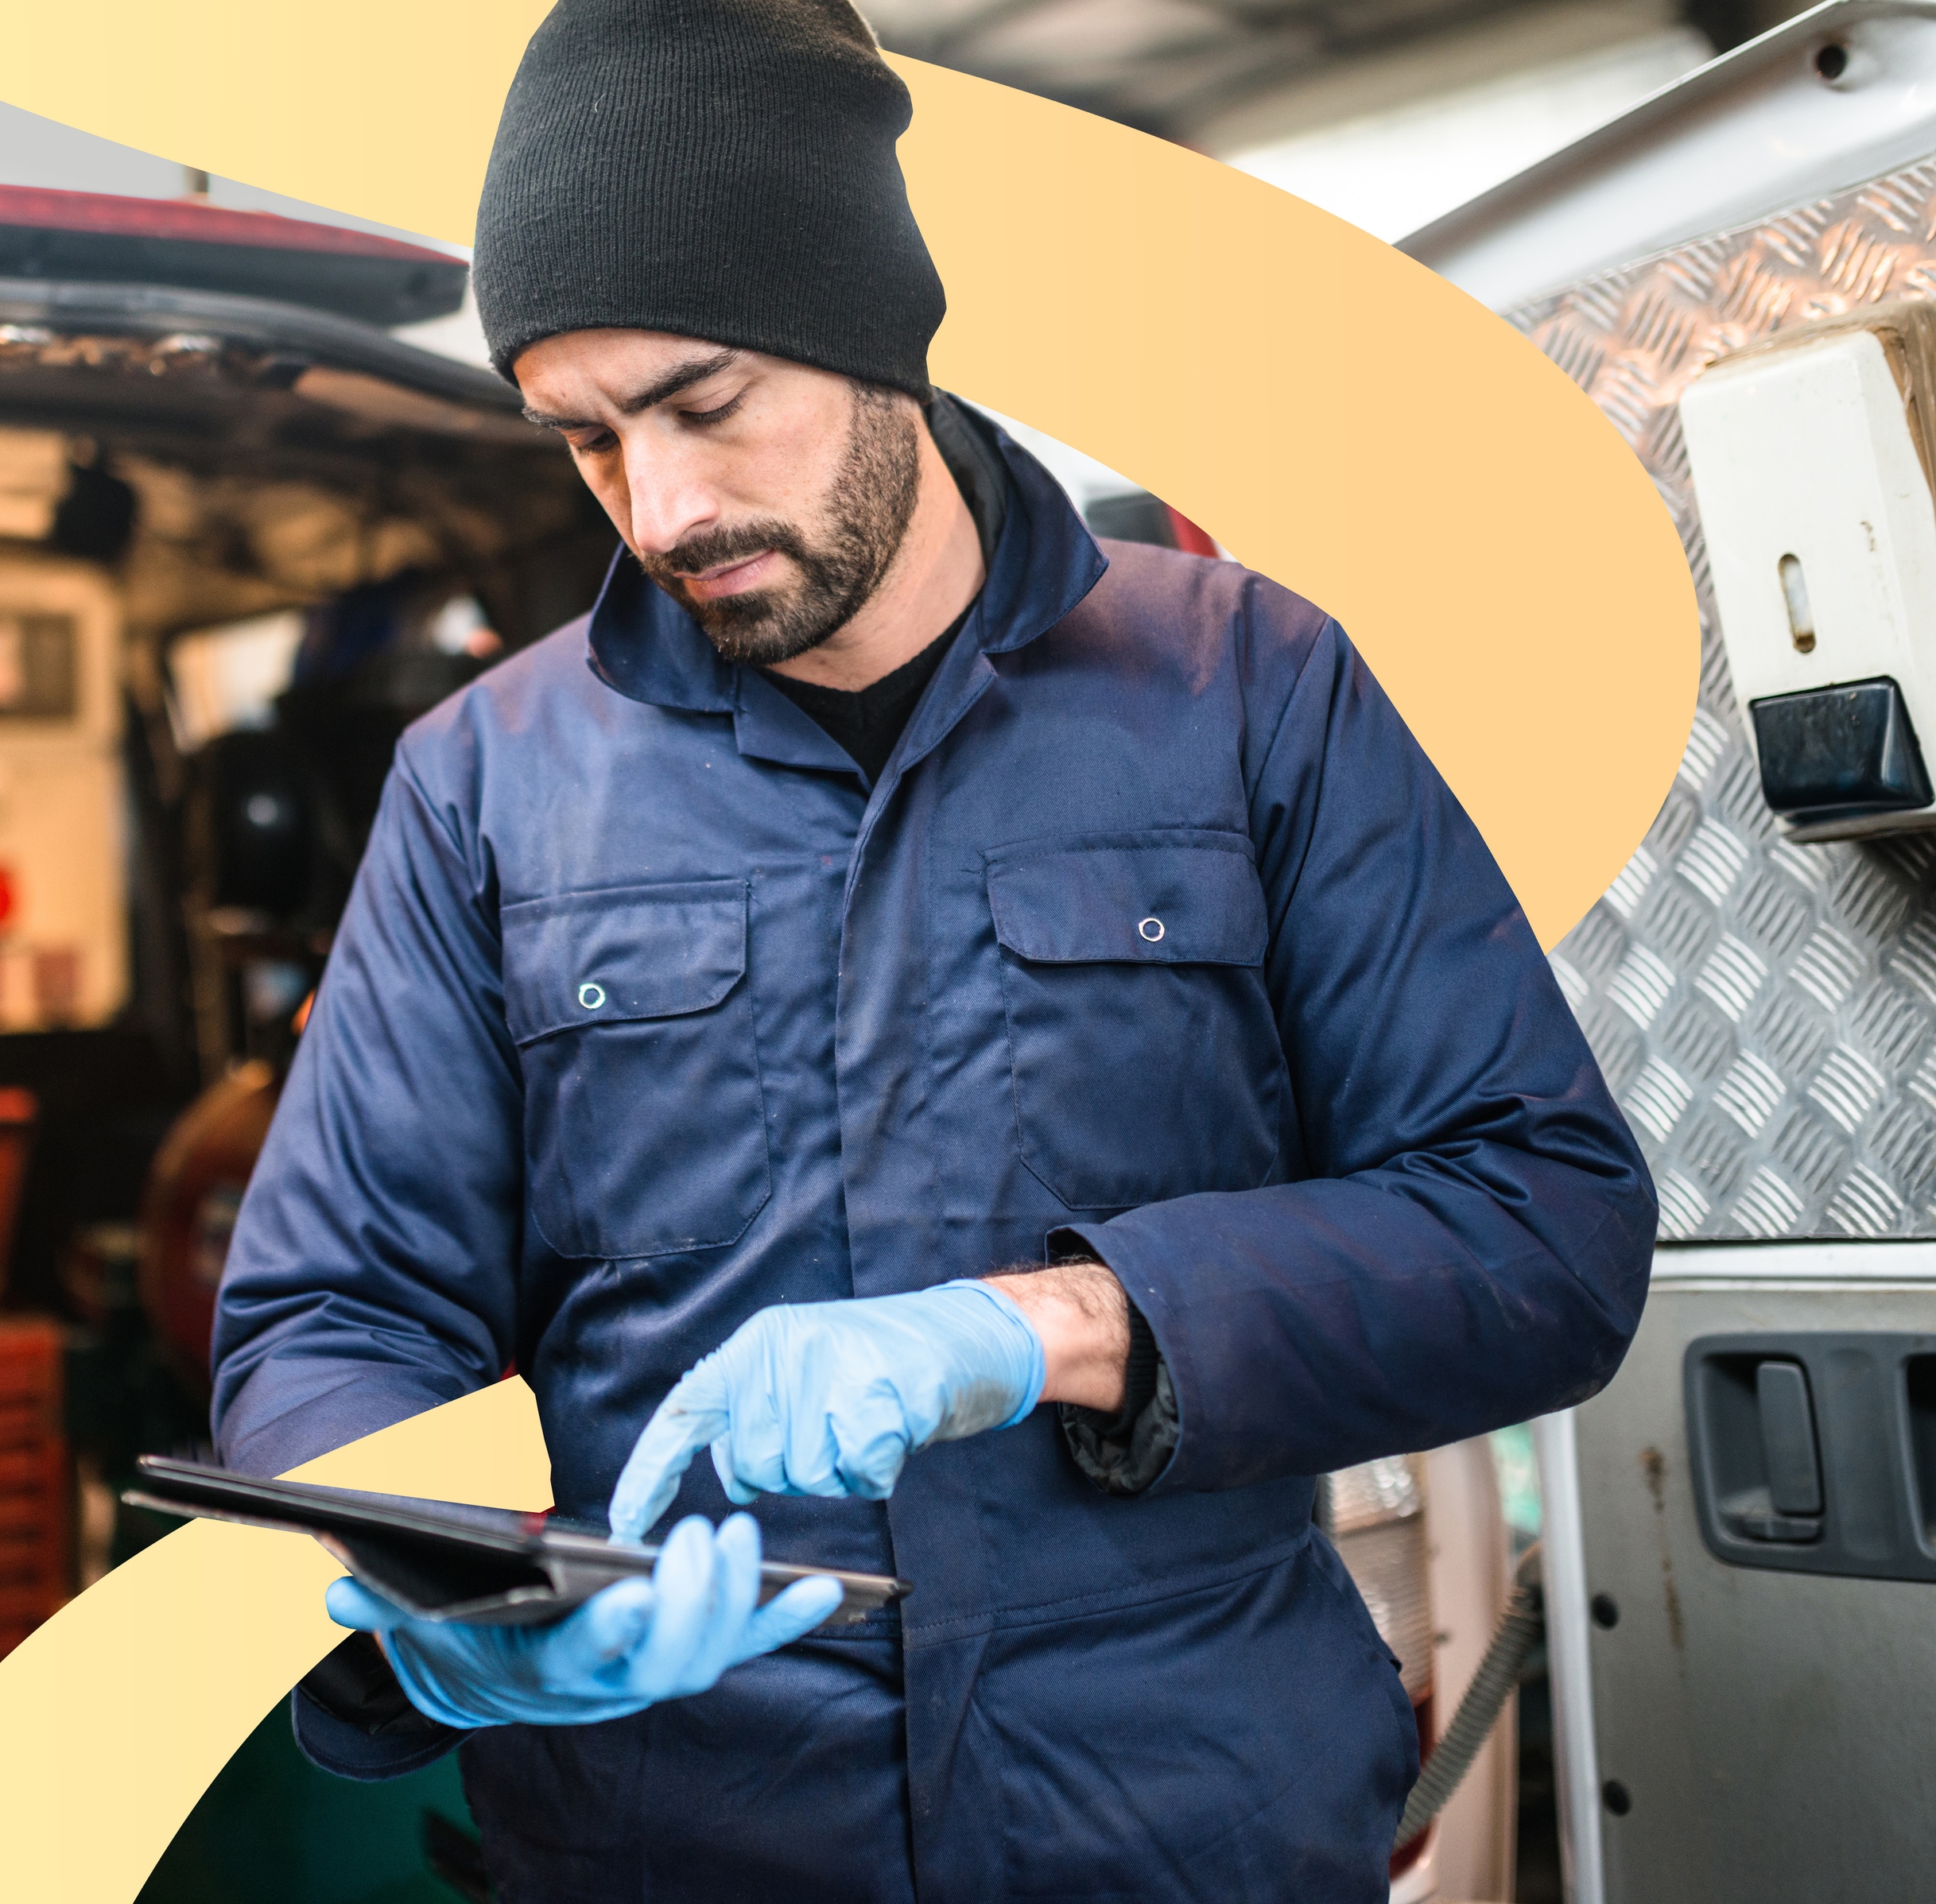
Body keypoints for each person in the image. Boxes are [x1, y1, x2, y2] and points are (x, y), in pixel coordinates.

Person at [208, 1, 1656, 1894]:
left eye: (709, 404)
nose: (662, 508)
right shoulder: (488, 784)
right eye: (586, 441)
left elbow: (1538, 1225)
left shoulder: (1244, 691)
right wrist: (458, 1592)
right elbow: (332, 1313)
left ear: (874, 328)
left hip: (1178, 1830)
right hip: (685, 1842)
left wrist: (1045, 1327)